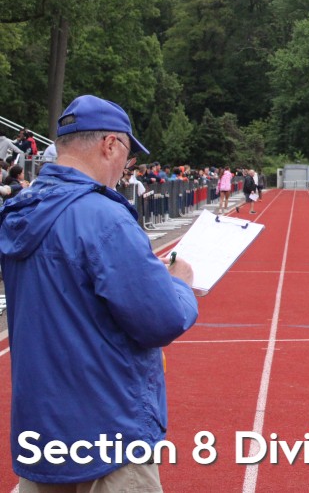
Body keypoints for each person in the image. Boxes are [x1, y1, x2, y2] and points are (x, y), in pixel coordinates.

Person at [0, 94, 199, 490]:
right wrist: (179, 282)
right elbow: (161, 320)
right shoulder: (104, 216)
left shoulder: (21, 209)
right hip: (109, 426)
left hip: (42, 427)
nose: (127, 167)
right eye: (127, 153)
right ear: (110, 144)